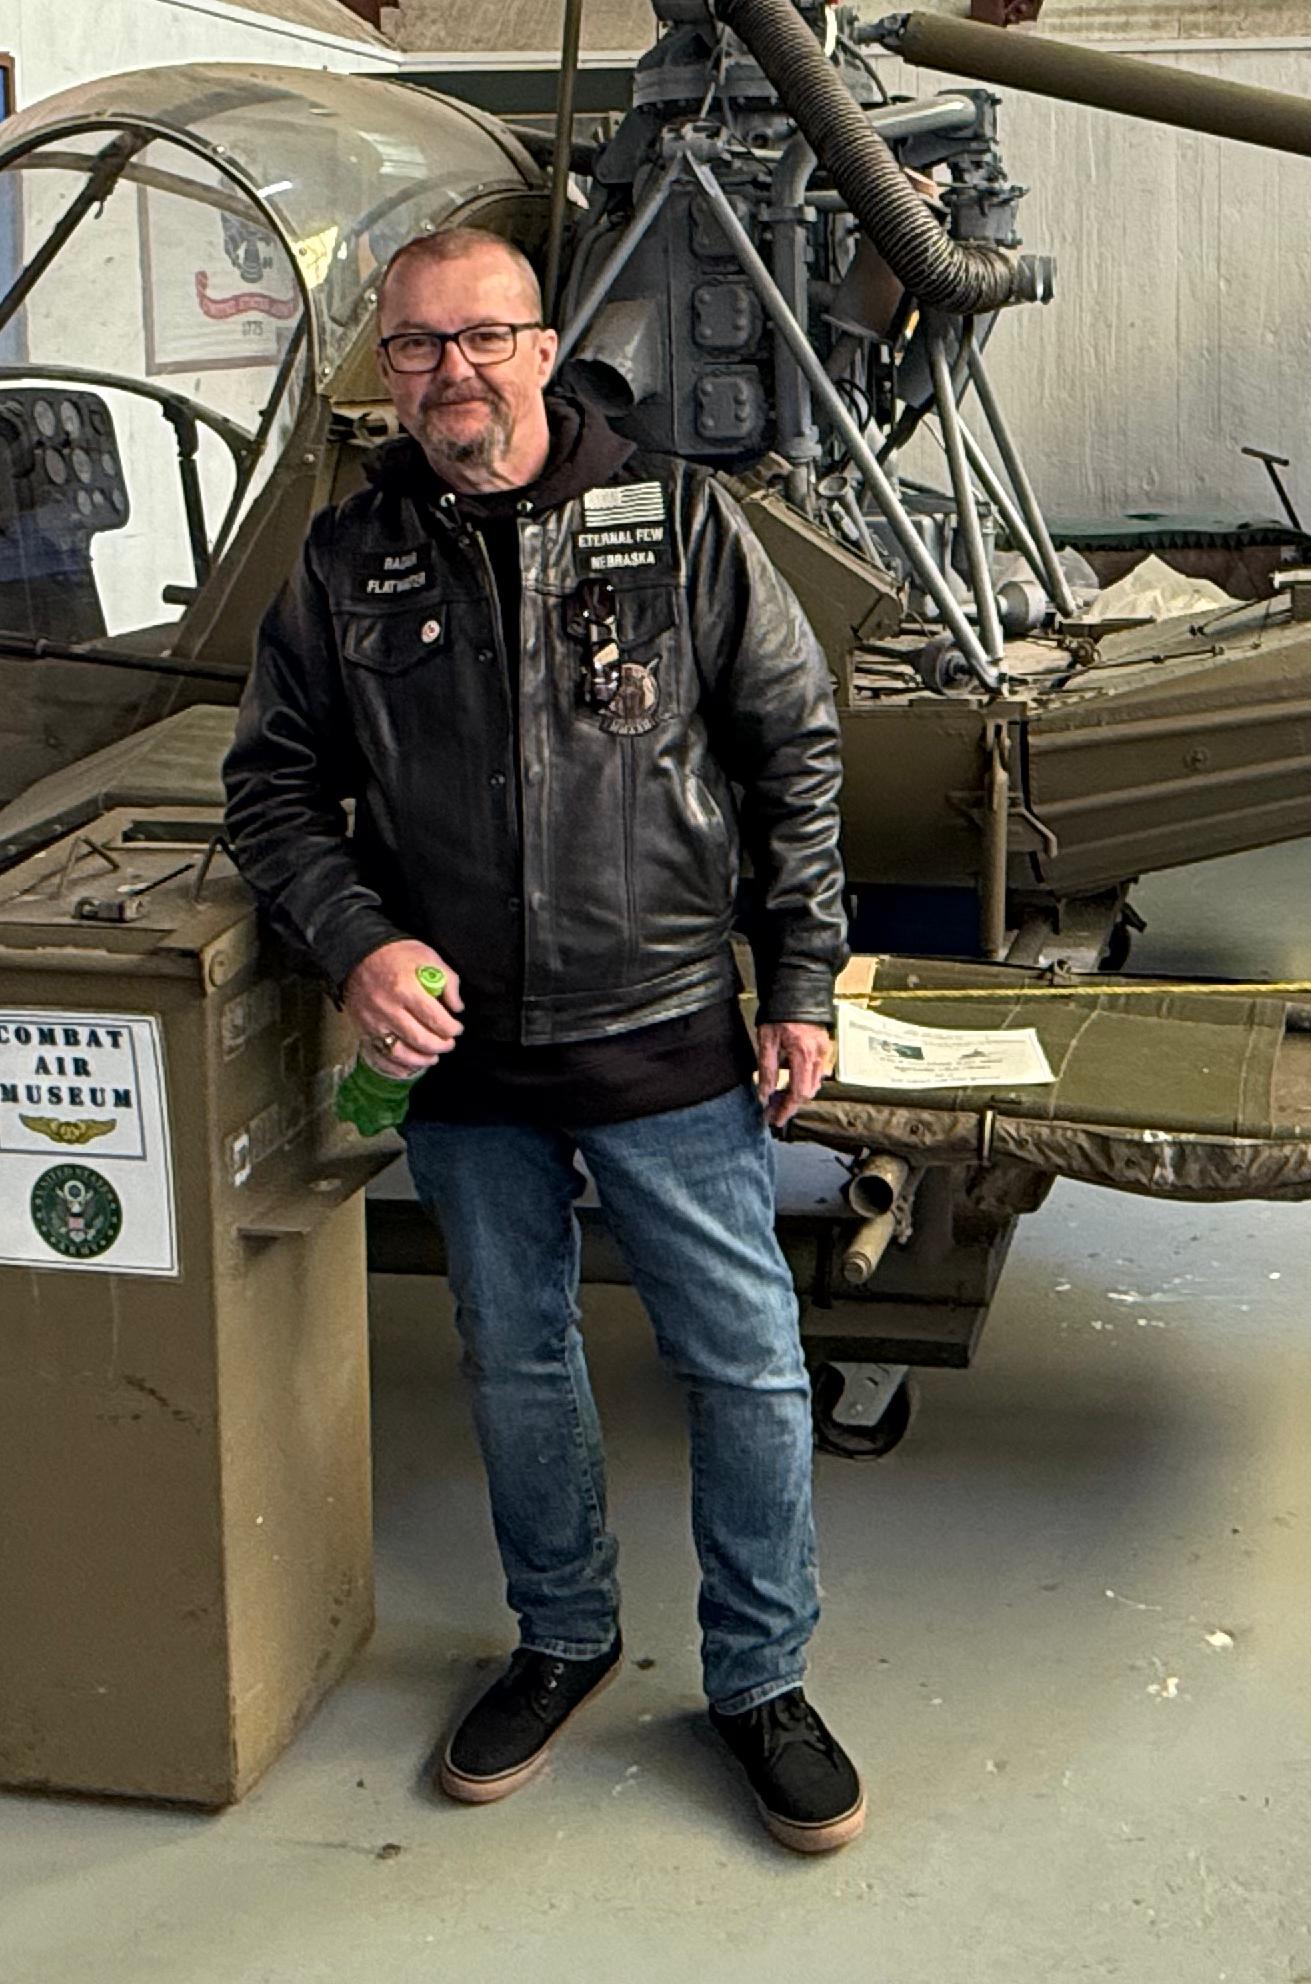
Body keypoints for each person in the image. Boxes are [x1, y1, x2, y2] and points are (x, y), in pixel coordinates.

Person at [220, 222, 866, 1855]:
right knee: (515, 1364)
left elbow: (795, 749)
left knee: (748, 1370)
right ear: (389, 371)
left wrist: (798, 980)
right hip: (467, 1062)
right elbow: (272, 791)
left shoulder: (683, 520)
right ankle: (564, 1638)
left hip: (661, 1036)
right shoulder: (345, 558)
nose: (458, 372)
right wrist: (356, 945)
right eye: (423, 347)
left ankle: (759, 1679)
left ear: (545, 340)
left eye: (486, 337)